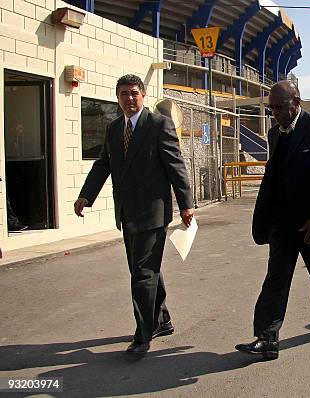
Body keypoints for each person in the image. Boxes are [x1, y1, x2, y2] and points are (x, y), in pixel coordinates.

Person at [74, 74, 194, 356]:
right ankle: (162, 319)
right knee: (145, 270)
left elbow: (176, 166)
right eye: (124, 94)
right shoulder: (114, 129)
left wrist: (186, 204)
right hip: (126, 214)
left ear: (143, 95)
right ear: (118, 98)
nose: (129, 99)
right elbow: (103, 164)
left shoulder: (158, 125)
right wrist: (85, 195)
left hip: (153, 213)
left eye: (134, 93)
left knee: (142, 273)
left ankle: (143, 334)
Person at [235, 80, 310, 360]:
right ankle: (267, 338)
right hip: (283, 223)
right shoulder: (275, 134)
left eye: (281, 107)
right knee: (276, 277)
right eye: (272, 108)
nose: (275, 112)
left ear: (296, 102)